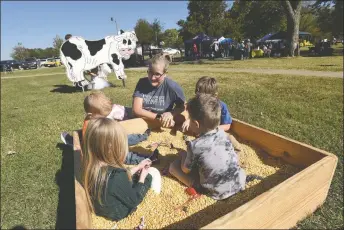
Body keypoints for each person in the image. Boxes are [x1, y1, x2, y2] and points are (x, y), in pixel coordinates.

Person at [82, 118, 161, 221]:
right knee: (152, 173)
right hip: (119, 212)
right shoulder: (117, 175)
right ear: (113, 148)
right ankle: (154, 195)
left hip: (104, 207)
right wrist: (142, 177)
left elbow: (114, 183)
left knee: (134, 175)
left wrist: (137, 167)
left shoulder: (91, 166)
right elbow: (134, 200)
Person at [169, 94, 246, 200]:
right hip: (239, 182)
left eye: (189, 119)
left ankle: (195, 186)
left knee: (173, 167)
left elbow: (185, 170)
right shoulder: (224, 134)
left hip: (216, 192)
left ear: (196, 124)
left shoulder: (195, 145)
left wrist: (183, 155)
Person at [132, 53, 186, 128]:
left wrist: (171, 114)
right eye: (150, 72)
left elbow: (182, 106)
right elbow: (137, 110)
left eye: (157, 74)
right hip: (143, 118)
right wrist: (159, 117)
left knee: (182, 119)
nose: (153, 78)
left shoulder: (172, 87)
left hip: (164, 120)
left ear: (165, 74)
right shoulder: (142, 83)